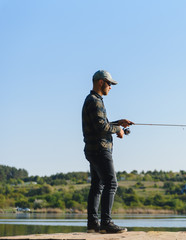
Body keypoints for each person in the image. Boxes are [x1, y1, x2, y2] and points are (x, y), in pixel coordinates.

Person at [82, 70, 133, 234]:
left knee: (97, 186)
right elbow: (102, 127)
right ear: (100, 82)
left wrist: (119, 122)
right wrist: (118, 129)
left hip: (93, 149)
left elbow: (102, 123)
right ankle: (106, 223)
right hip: (100, 150)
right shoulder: (95, 101)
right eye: (109, 83)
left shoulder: (93, 100)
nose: (111, 87)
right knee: (111, 183)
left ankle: (93, 224)